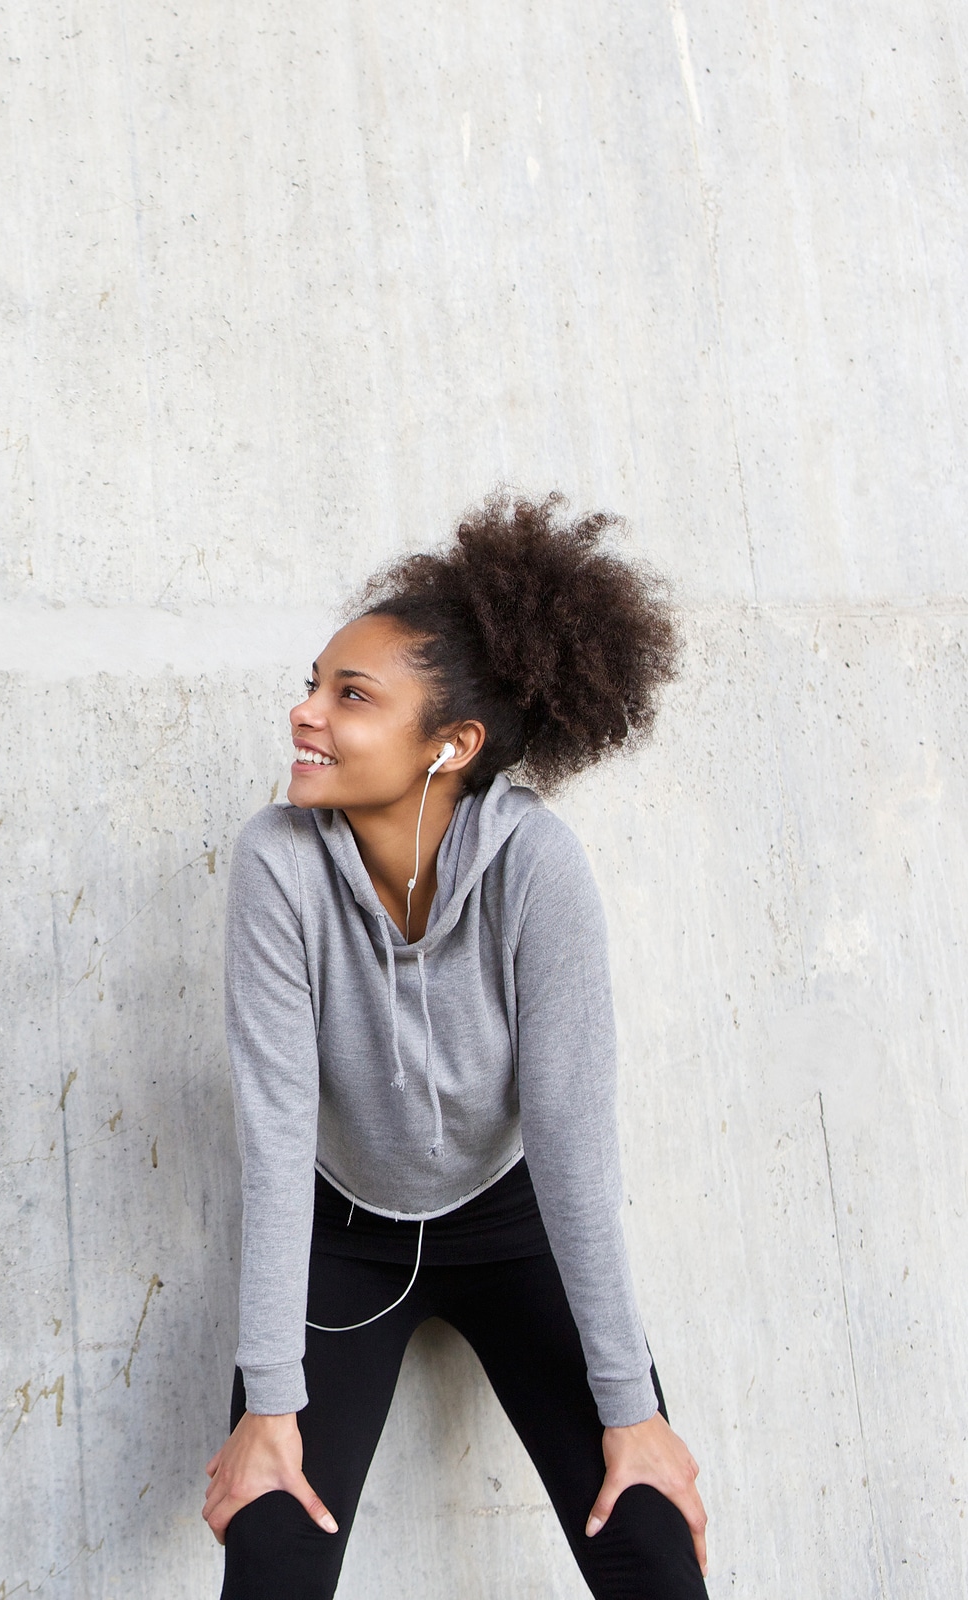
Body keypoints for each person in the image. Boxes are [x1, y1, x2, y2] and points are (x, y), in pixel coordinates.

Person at [201, 494, 709, 1598]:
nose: (303, 714)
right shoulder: (277, 864)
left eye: (349, 695)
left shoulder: (535, 868)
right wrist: (266, 1406)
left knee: (651, 1543)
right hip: (342, 1234)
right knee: (270, 1544)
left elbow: (573, 1144)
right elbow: (276, 1136)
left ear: (450, 744)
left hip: (510, 1222)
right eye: (310, 684)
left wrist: (634, 1412)